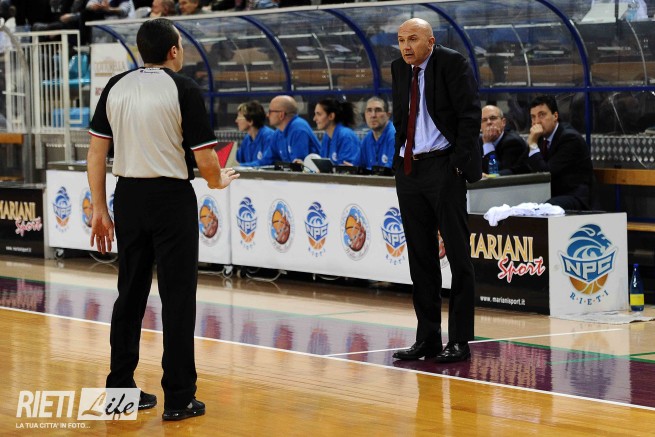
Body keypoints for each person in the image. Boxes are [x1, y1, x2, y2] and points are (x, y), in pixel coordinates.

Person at [86, 18, 239, 421]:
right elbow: (205, 158)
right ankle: (179, 397)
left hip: (128, 197)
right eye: (181, 45)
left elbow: (97, 153)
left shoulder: (115, 86)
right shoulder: (183, 88)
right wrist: (218, 181)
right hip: (171, 199)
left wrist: (100, 208)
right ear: (173, 51)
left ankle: (120, 390)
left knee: (129, 295)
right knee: (177, 298)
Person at [391, 18, 481, 363]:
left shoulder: (452, 63)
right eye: (401, 40)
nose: (406, 46)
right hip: (410, 168)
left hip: (444, 166)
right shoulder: (399, 68)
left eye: (413, 39)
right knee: (420, 257)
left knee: (458, 256)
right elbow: (402, 116)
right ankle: (427, 338)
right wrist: (400, 158)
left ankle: (459, 340)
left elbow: (469, 116)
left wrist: (457, 164)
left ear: (430, 41)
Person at [526, 95, 594, 210]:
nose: (536, 122)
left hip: (575, 197)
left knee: (544, 208)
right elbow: (525, 166)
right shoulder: (540, 138)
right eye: (533, 117)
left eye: (542, 115)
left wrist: (532, 144)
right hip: (554, 194)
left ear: (555, 116)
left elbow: (546, 174)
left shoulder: (569, 138)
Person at [266, 95, 320, 164]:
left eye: (270, 112)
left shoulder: (298, 130)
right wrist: (251, 166)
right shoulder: (278, 133)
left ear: (281, 115)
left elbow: (298, 165)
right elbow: (266, 160)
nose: (267, 115)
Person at [479, 104, 529, 176]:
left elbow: (500, 175)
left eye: (493, 118)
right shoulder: (477, 142)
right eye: (484, 120)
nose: (489, 122)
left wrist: (487, 144)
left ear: (503, 122)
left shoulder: (513, 142)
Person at [313, 97, 361, 167]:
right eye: (315, 114)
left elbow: (347, 170)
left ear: (331, 116)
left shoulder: (346, 136)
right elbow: (324, 166)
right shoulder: (326, 136)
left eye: (319, 114)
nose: (314, 119)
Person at [235, 100, 276, 167]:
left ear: (250, 121)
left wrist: (238, 166)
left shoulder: (269, 136)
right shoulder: (247, 139)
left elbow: (266, 162)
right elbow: (237, 159)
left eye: (239, 117)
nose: (236, 121)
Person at [360, 96, 396, 172]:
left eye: (378, 110)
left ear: (388, 115)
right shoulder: (367, 139)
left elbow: (391, 171)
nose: (373, 115)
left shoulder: (394, 135)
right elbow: (359, 166)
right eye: (369, 110)